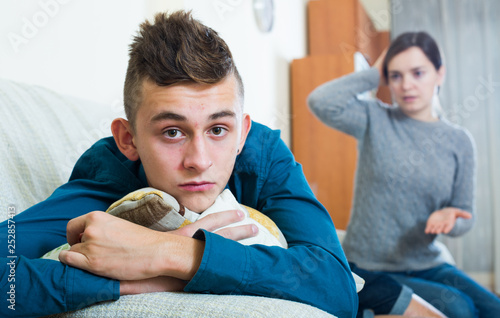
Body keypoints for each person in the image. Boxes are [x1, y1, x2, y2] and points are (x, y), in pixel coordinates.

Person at [0, 11, 358, 317]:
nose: (199, 161)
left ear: (242, 134)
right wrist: (137, 280)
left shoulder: (262, 155)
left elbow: (336, 287)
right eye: (172, 132)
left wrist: (170, 252)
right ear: (129, 139)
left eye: (218, 129)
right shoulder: (108, 177)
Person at [308, 31, 500, 317]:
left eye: (418, 73)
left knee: (493, 308)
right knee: (460, 308)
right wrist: (373, 74)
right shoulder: (375, 118)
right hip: (371, 265)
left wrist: (450, 219)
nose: (406, 84)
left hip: (428, 264)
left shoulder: (460, 141)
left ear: (440, 74)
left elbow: (463, 215)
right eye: (395, 75)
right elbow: (320, 101)